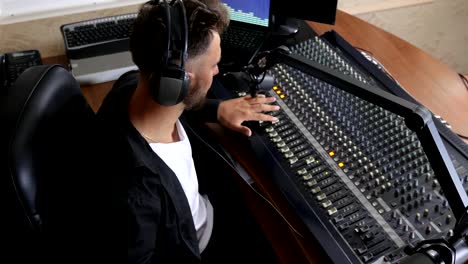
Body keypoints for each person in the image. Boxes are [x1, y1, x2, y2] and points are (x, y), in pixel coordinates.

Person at [96, 0, 280, 263]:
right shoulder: (136, 195)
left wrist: (217, 109)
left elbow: (183, 98)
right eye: (214, 64)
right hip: (196, 245)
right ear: (182, 81)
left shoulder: (130, 87)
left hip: (202, 206)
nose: (217, 71)